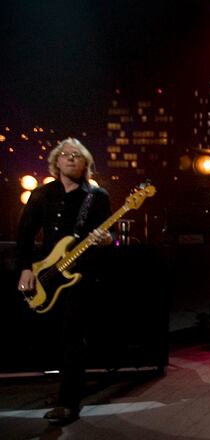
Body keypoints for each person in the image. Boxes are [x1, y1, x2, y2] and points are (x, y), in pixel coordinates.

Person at [16, 138, 112, 425]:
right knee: (50, 337)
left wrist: (106, 239)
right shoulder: (42, 194)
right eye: (66, 155)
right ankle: (66, 388)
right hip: (46, 274)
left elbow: (108, 235)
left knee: (73, 337)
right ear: (56, 162)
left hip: (80, 277)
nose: (71, 159)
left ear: (86, 165)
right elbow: (25, 233)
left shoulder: (97, 196)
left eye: (78, 156)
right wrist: (25, 268)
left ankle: (68, 403)